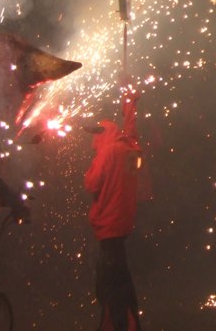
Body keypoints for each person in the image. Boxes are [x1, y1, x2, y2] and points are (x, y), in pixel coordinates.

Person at [84, 84, 142, 331]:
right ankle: (124, 323)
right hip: (122, 224)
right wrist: (129, 104)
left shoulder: (107, 153)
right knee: (120, 282)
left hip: (108, 227)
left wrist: (93, 163)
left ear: (104, 135)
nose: (93, 141)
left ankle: (120, 326)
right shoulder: (129, 148)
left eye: (96, 136)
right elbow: (131, 132)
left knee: (111, 287)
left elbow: (91, 183)